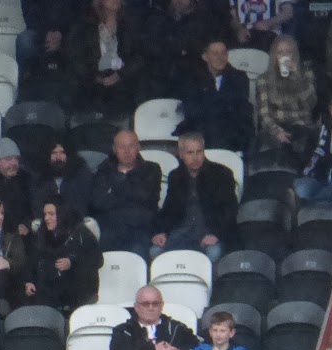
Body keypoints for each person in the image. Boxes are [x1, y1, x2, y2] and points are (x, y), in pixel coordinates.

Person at [151, 132, 238, 262]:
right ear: (181, 155)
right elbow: (168, 210)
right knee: (155, 251)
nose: (196, 157)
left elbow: (230, 210)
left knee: (214, 252)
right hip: (180, 233)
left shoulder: (221, 173)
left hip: (210, 232)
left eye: (199, 152)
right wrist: (161, 232)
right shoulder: (175, 176)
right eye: (190, 153)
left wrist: (216, 234)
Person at [88, 130, 163, 257]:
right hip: (110, 230)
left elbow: (145, 197)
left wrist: (114, 189)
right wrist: (130, 189)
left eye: (131, 146)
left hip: (140, 229)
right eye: (122, 147)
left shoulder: (152, 169)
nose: (127, 151)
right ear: (114, 149)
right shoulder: (103, 171)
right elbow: (98, 202)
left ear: (138, 147)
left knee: (137, 252)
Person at [66, 0, 144, 116]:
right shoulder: (84, 25)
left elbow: (140, 55)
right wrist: (94, 77)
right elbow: (76, 57)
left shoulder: (131, 23)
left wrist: (121, 74)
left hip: (123, 82)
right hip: (91, 82)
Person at [25, 199, 100, 314]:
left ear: (62, 214)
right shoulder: (41, 234)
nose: (46, 218)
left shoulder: (81, 232)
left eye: (51, 214)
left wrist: (72, 262)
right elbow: (32, 261)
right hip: (50, 288)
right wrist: (29, 281)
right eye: (45, 214)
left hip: (77, 289)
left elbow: (97, 259)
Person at [181, 40, 254, 152]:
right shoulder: (193, 79)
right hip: (203, 132)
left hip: (232, 134)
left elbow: (240, 108)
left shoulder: (239, 77)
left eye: (223, 53)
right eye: (215, 53)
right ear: (205, 56)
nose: (220, 57)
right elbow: (191, 110)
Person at [255, 35, 317, 163]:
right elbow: (263, 113)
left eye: (288, 51)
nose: (284, 56)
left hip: (302, 126)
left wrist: (297, 78)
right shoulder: (264, 79)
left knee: (302, 146)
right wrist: (277, 131)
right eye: (280, 52)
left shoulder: (306, 74)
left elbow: (310, 104)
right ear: (274, 56)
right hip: (276, 127)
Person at [30, 141, 95, 225]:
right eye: (54, 153)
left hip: (75, 224)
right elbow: (37, 204)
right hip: (47, 224)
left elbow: (82, 205)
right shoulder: (39, 177)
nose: (58, 157)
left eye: (62, 152)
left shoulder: (81, 174)